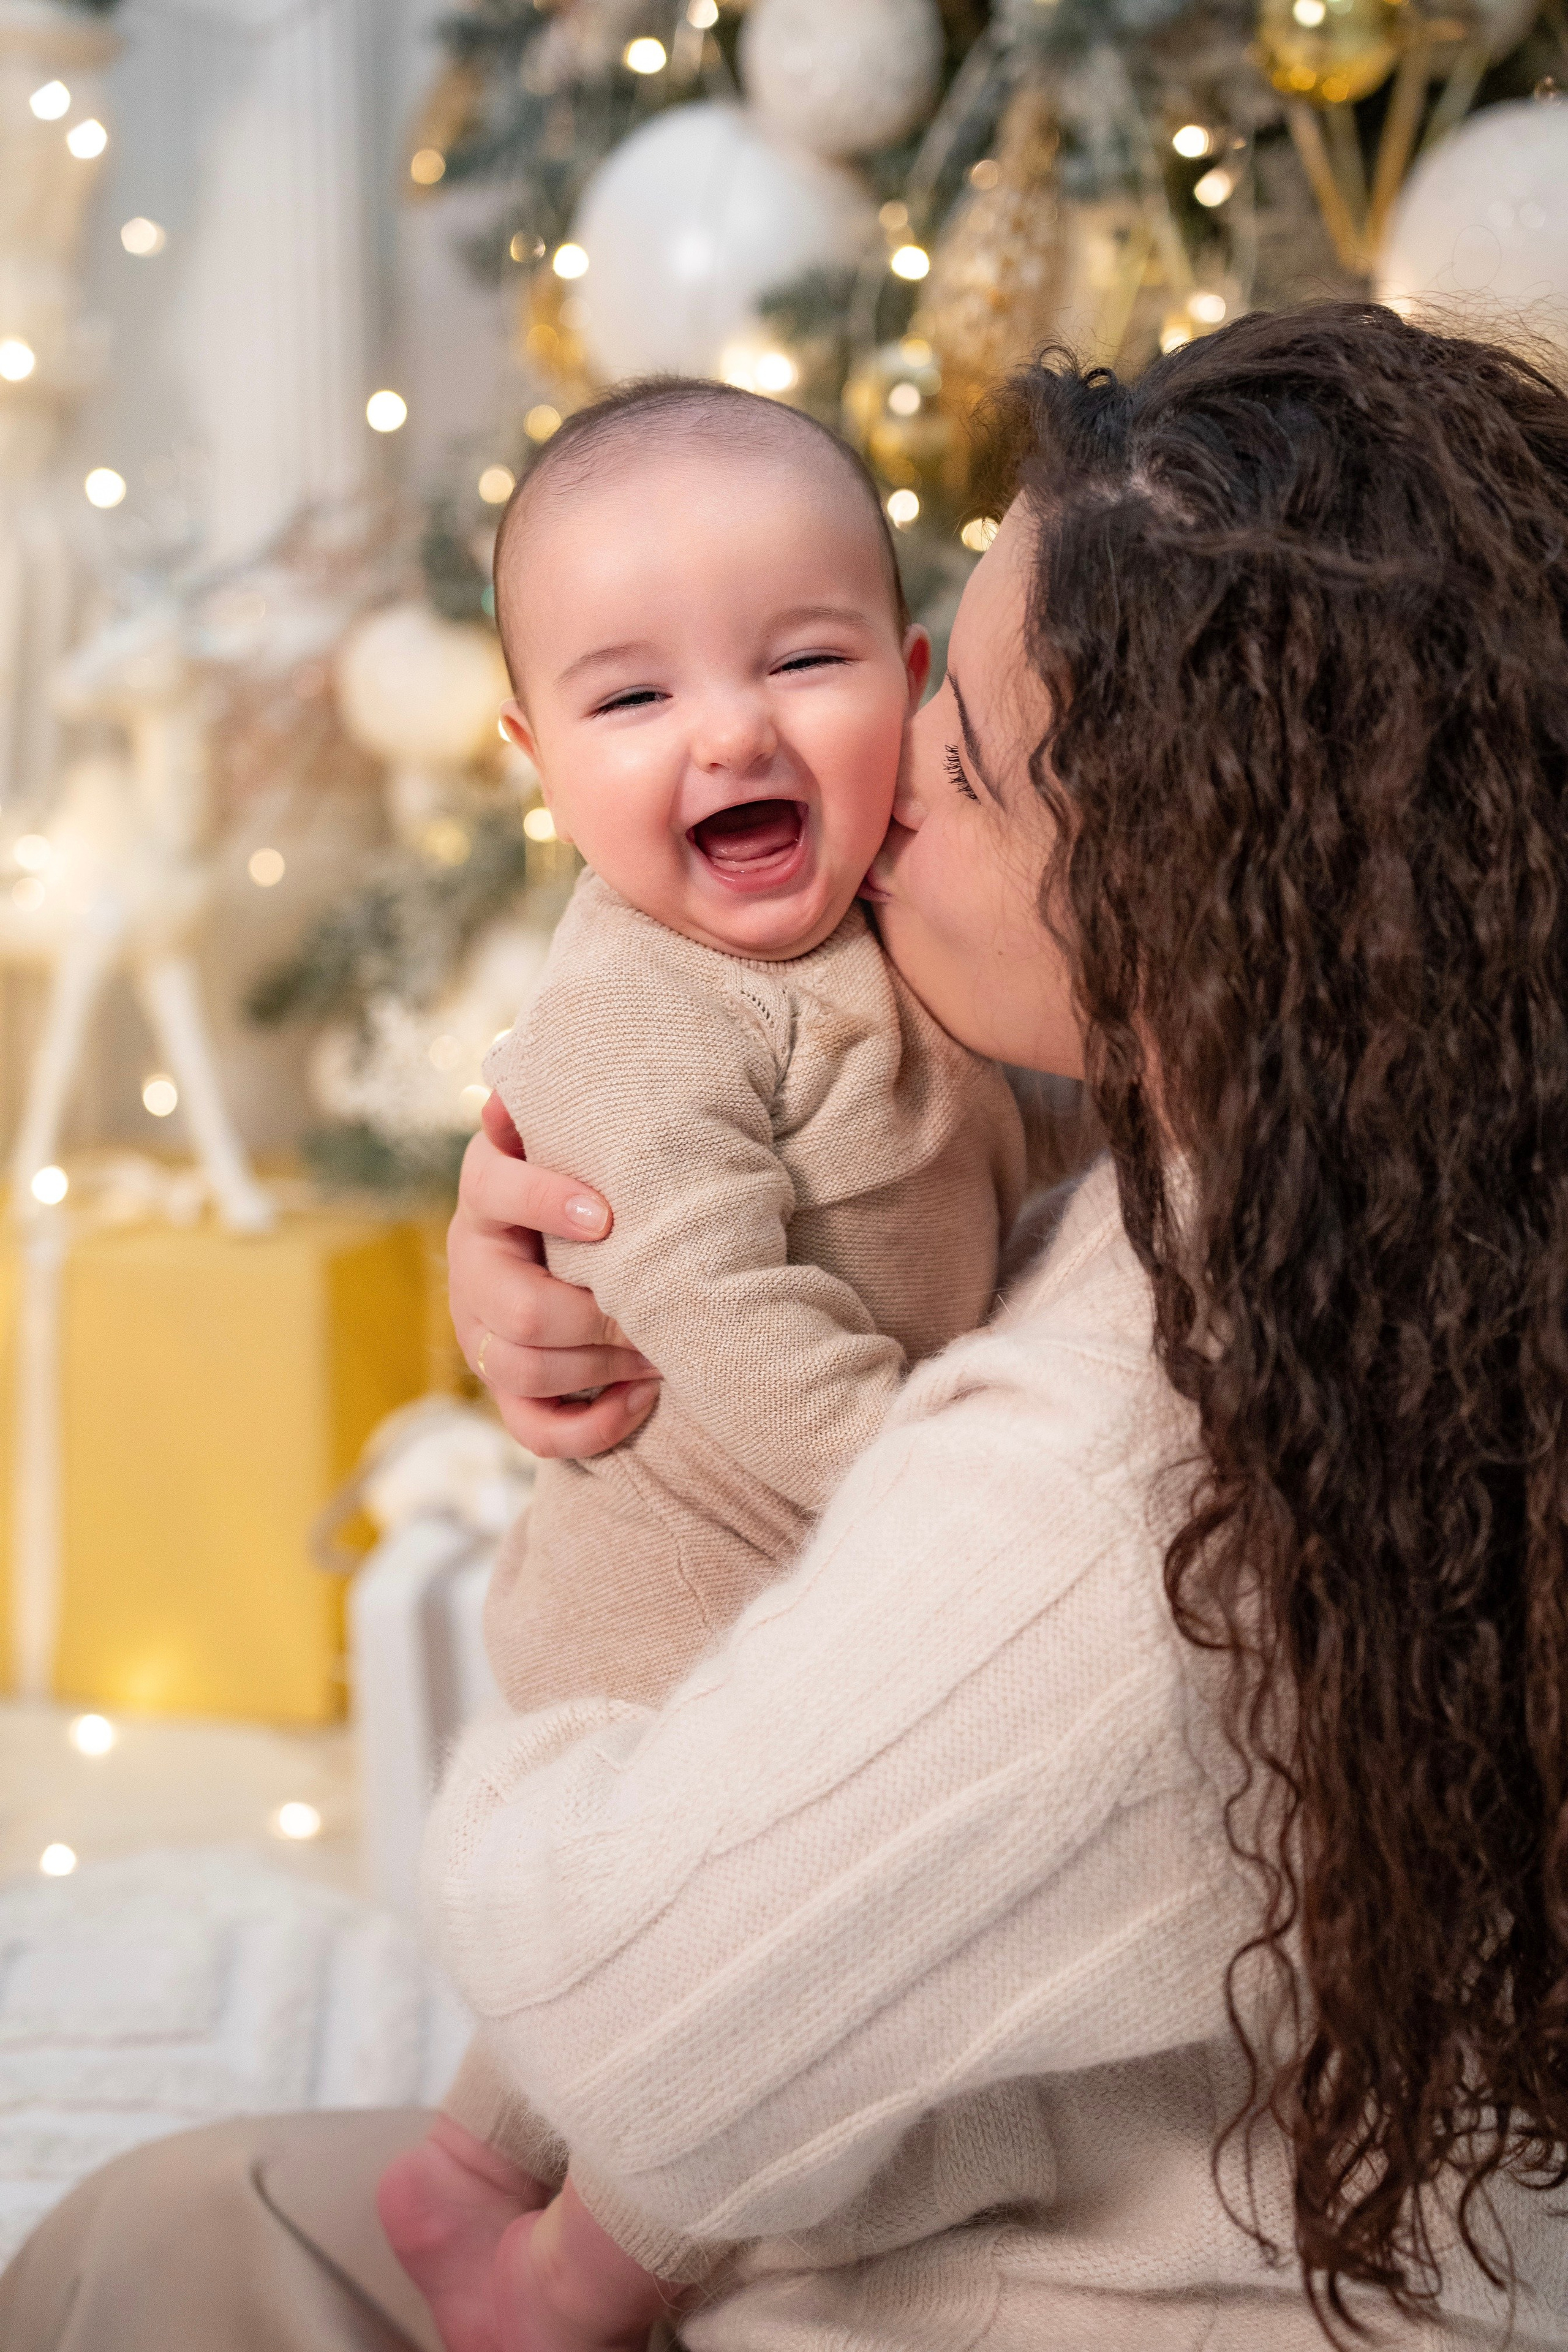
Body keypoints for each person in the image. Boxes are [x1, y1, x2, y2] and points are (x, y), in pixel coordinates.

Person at [6, 300, 1568, 2352]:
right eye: (635, 690)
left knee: (162, 2240)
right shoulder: (1405, 1212)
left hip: (1092, 2272)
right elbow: (813, 1202)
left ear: (1197, 889)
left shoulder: (1086, 1497)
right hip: (1167, 2116)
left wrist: (650, 1698)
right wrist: (557, 1247)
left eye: (959, 749)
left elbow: (620, 1979)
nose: (862, 781)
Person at [379, 375, 1025, 2351]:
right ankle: (577, 2274)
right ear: (537, 758)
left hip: (796, 1564)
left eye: (804, 659)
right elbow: (720, 1317)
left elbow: (1030, 1153)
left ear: (913, 687)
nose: (732, 730)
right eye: (632, 697)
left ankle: (468, 2166)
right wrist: (945, 1493)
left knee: (646, 1944)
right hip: (683, 1600)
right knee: (750, 1954)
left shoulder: (907, 921)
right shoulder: (638, 1011)